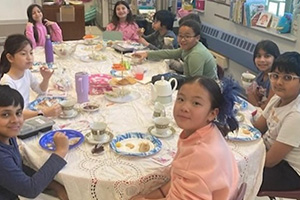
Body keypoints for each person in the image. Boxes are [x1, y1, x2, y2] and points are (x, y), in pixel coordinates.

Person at [132, 76, 240, 200]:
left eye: (196, 103)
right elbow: (180, 178)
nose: (184, 107)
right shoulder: (208, 132)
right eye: (181, 99)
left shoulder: (199, 153)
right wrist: (149, 197)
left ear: (212, 113)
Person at [0, 85, 69, 200]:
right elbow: (30, 190)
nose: (15, 120)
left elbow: (18, 168)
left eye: (18, 113)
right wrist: (60, 152)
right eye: (5, 114)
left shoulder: (8, 136)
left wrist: (56, 186)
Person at [253, 52, 300, 192]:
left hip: (289, 170)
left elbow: (270, 161)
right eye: (275, 76)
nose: (279, 82)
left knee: (236, 176)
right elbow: (258, 128)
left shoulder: (296, 115)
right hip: (270, 153)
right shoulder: (277, 98)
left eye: (287, 77)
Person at [0, 34, 62, 119]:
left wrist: (46, 78)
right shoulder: (7, 83)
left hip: (27, 114)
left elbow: (40, 90)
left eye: (31, 53)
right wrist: (43, 113)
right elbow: (16, 114)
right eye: (23, 54)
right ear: (10, 58)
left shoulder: (26, 72)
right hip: (18, 122)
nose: (29, 58)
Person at [134, 20, 217, 79]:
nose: (183, 40)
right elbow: (169, 53)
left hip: (206, 90)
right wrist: (147, 54)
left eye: (187, 36)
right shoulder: (189, 47)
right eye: (180, 36)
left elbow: (195, 82)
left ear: (197, 38)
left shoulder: (196, 54)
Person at [247, 40, 280, 110]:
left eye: (267, 56)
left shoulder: (275, 80)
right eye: (258, 56)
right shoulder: (261, 75)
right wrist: (250, 90)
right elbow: (253, 103)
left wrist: (258, 105)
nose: (262, 60)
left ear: (275, 58)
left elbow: (268, 108)